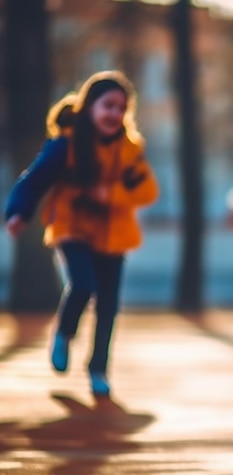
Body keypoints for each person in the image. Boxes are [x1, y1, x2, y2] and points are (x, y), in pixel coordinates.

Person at [4, 70, 159, 397]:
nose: (114, 114)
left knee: (108, 306)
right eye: (108, 106)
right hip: (72, 227)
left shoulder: (130, 150)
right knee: (83, 283)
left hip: (114, 235)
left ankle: (98, 370)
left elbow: (147, 191)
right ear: (90, 106)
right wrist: (19, 212)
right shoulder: (66, 144)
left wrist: (111, 195)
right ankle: (64, 333)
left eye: (121, 108)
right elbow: (34, 180)